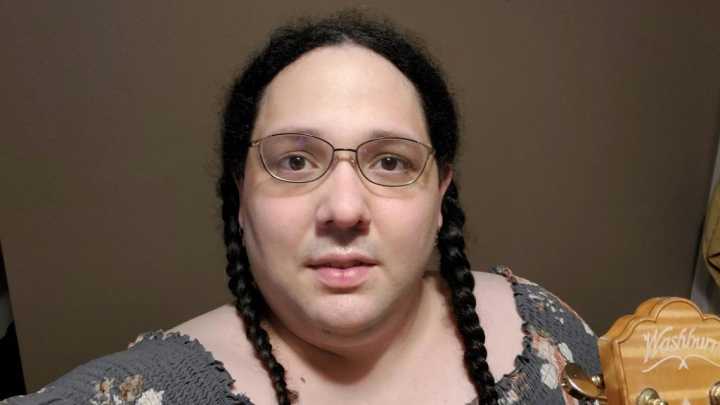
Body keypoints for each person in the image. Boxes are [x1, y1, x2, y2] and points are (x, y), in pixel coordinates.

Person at [2, 11, 600, 405]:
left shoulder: (543, 329)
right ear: (241, 194)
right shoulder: (149, 390)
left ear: (441, 194)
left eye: (390, 162)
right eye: (294, 161)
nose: (344, 208)